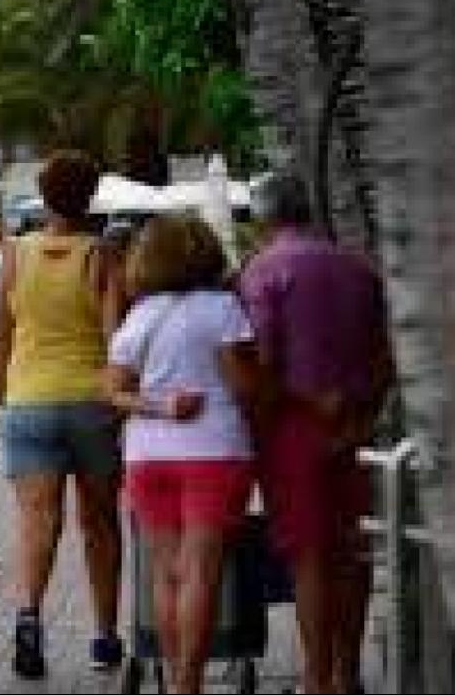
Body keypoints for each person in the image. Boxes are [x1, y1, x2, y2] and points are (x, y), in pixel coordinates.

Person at [240, 176, 393, 695]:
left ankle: (316, 676)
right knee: (350, 551)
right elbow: (387, 353)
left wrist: (306, 401)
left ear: (265, 217)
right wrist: (360, 414)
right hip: (353, 427)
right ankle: (348, 671)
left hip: (290, 429)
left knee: (309, 555)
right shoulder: (358, 267)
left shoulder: (262, 270)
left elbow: (262, 362)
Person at [0, 152, 125, 679]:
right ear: (90, 197)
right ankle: (105, 635)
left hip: (30, 399)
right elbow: (117, 341)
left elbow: (0, 334)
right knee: (99, 523)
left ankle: (29, 620)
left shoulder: (16, 253)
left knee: (37, 521)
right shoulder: (102, 257)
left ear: (45, 197)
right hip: (92, 403)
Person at [103, 215, 262, 694]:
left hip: (147, 455)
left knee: (165, 574)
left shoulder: (141, 314)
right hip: (214, 451)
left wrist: (161, 405)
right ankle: (189, 681)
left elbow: (112, 391)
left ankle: (176, 680)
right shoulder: (223, 309)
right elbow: (243, 387)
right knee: (201, 573)